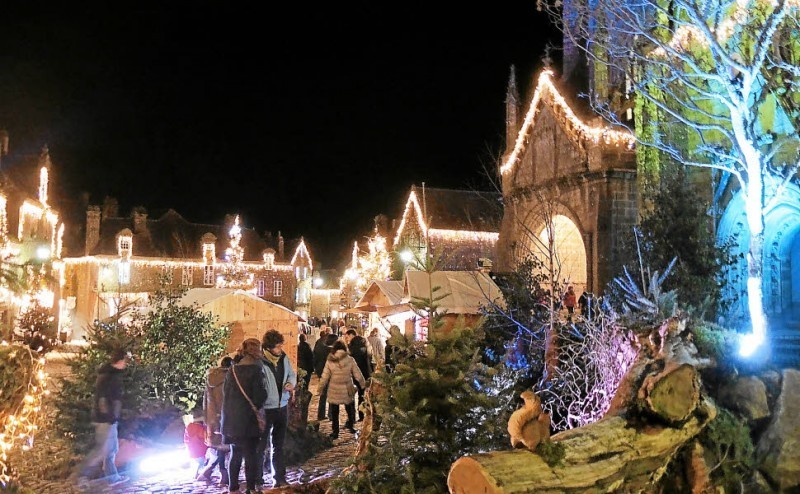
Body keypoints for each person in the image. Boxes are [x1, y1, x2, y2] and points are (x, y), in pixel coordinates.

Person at [69, 348, 129, 487]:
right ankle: (81, 476)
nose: (126, 364)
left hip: (111, 419)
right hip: (105, 420)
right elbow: (102, 399)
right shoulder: (108, 376)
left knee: (112, 449)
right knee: (101, 451)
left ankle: (112, 477)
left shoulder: (113, 374)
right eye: (125, 360)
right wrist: (108, 416)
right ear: (120, 360)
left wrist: (114, 417)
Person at [221, 339, 268, 494]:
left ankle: (233, 487)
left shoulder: (232, 370)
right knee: (250, 455)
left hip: (232, 419)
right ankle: (250, 488)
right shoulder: (256, 370)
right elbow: (259, 397)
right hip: (248, 419)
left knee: (235, 453)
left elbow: (226, 394)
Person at [256, 329, 297, 489]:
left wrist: (291, 383)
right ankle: (258, 479)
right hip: (266, 409)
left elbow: (291, 374)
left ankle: (279, 477)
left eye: (281, 346)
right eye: (278, 346)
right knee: (261, 445)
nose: (280, 349)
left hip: (282, 406)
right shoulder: (260, 362)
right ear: (269, 347)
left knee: (278, 445)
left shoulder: (284, 358)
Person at [318, 340, 366, 439]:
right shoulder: (350, 359)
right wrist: (363, 384)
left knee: (335, 411)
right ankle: (351, 425)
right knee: (349, 408)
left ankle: (335, 431)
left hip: (334, 388)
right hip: (347, 387)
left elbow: (325, 375)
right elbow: (357, 373)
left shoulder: (330, 360)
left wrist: (320, 388)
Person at [199, 356, 232, 486]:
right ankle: (223, 474)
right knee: (227, 447)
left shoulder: (211, 378)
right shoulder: (232, 377)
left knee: (219, 447)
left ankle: (214, 472)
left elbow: (206, 402)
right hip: (229, 416)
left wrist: (208, 419)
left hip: (214, 417)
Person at [344, 329, 371, 421]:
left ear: (352, 335)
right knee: (362, 395)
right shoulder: (365, 343)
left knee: (351, 396)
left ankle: (352, 417)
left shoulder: (352, 346)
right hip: (365, 372)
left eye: (347, 337)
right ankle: (361, 415)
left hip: (354, 374)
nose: (347, 339)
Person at [313, 329, 336, 420]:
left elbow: (314, 357)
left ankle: (321, 414)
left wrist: (316, 368)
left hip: (320, 371)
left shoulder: (318, 344)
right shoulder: (329, 349)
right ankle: (331, 414)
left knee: (323, 393)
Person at [184, 409, 208, 477]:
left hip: (191, 449)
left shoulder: (189, 426)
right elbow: (204, 436)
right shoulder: (199, 428)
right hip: (200, 450)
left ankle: (198, 474)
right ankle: (199, 475)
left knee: (200, 462)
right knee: (202, 463)